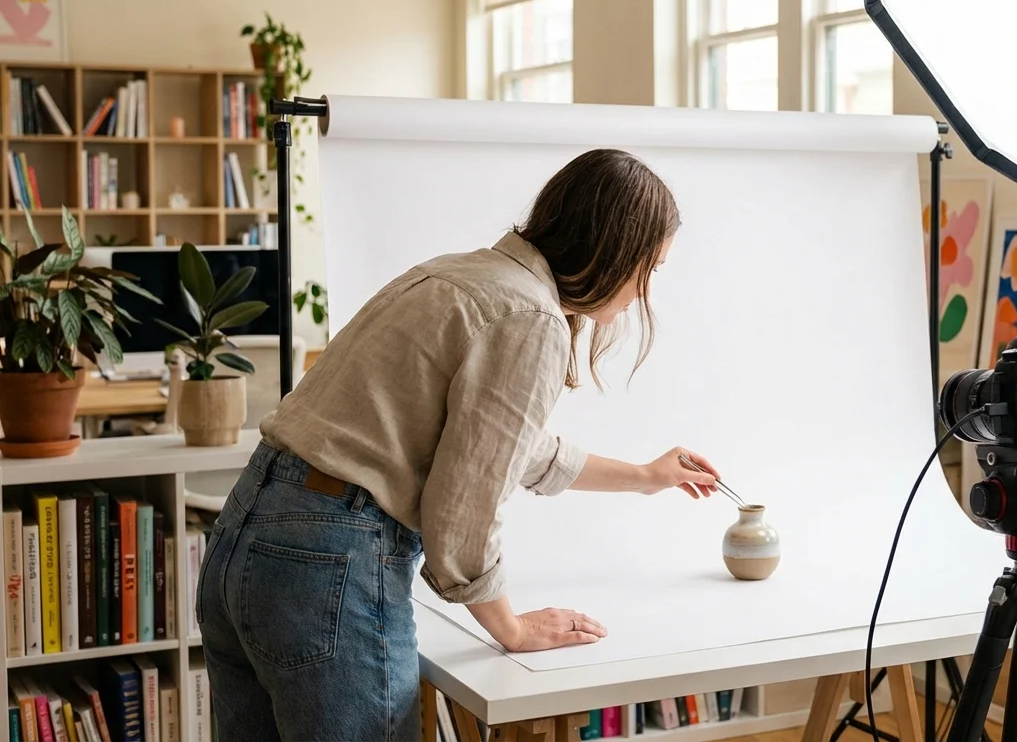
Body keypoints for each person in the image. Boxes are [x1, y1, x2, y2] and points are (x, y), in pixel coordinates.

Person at [196, 148, 724, 741]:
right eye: (649, 269)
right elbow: (464, 513)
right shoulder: (530, 317)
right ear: (612, 250)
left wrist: (647, 475)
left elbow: (511, 449)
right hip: (326, 560)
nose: (644, 291)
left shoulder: (458, 273)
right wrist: (512, 629)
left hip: (244, 536)